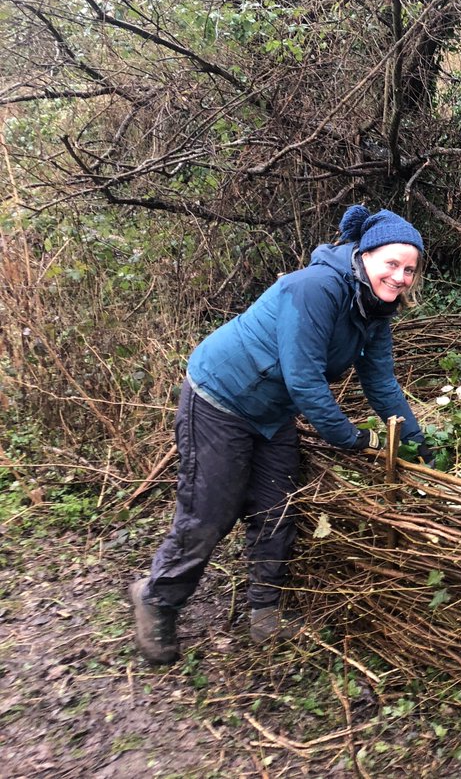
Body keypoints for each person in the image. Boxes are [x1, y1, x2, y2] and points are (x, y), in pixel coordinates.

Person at [129, 205, 433, 665]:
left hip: (271, 413)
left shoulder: (374, 309)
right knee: (210, 510)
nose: (401, 277)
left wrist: (417, 444)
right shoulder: (315, 288)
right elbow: (304, 379)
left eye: (409, 269)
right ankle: (157, 598)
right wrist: (350, 437)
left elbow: (382, 383)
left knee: (277, 507)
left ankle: (265, 611)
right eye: (392, 263)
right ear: (365, 254)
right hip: (220, 398)